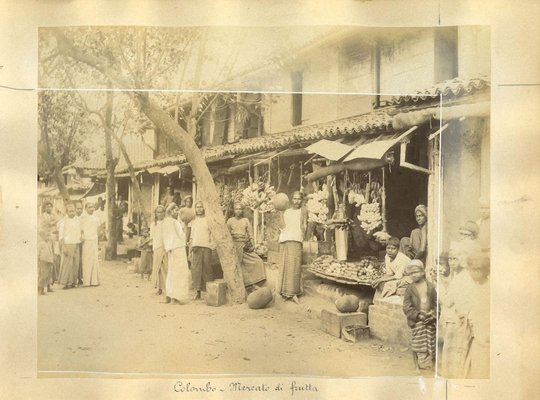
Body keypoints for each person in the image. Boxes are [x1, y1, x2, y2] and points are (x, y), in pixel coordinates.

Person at [439, 241, 482, 378]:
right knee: (456, 355)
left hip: (457, 322)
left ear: (462, 259)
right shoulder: (460, 276)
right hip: (456, 320)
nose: (451, 262)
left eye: (455, 259)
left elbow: (447, 301)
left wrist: (437, 285)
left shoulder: (462, 278)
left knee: (455, 357)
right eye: (450, 259)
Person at [402, 260, 438, 372]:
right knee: (416, 343)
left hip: (430, 318)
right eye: (411, 273)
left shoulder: (431, 287)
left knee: (432, 342)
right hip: (418, 320)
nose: (413, 275)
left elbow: (437, 303)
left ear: (423, 272)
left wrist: (433, 315)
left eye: (416, 272)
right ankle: (416, 366)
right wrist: (417, 316)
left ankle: (433, 365)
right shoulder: (409, 289)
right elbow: (406, 307)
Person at [226, 203, 266, 293]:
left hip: (245, 245)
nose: (238, 211)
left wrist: (253, 246)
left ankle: (252, 284)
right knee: (238, 265)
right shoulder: (230, 221)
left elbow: (250, 235)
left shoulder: (246, 220)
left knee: (258, 261)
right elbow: (227, 236)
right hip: (234, 246)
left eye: (240, 209)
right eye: (236, 209)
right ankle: (240, 287)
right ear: (233, 210)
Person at [461, 253, 490, 378]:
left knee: (482, 363)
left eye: (478, 271)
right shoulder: (474, 287)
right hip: (473, 331)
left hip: (484, 333)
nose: (474, 274)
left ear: (485, 271)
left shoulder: (489, 288)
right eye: (472, 271)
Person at [277, 191, 307, 303]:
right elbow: (282, 227)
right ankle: (285, 293)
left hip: (296, 240)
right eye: (294, 198)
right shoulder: (287, 212)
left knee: (295, 267)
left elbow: (304, 227)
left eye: (299, 199)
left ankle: (293, 293)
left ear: (302, 200)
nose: (296, 201)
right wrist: (280, 214)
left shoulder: (303, 211)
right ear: (291, 200)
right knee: (286, 266)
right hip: (285, 240)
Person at [162, 203, 190, 304]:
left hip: (171, 248)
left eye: (178, 210)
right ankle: (175, 296)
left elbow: (166, 237)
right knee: (179, 272)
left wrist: (168, 247)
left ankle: (169, 295)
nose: (177, 212)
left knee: (171, 271)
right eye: (175, 210)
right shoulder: (175, 222)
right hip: (178, 248)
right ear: (170, 211)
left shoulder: (167, 222)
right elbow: (182, 236)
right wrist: (185, 226)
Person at [189, 201, 215, 300]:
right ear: (195, 209)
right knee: (196, 269)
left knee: (207, 269)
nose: (199, 209)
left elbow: (212, 234)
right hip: (196, 247)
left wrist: (212, 245)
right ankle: (197, 291)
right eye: (197, 207)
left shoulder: (208, 220)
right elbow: (191, 236)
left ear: (204, 208)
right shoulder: (193, 221)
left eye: (201, 207)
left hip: (207, 246)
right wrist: (190, 251)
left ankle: (208, 292)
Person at [57, 203, 82, 289]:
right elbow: (61, 236)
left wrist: (82, 235)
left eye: (73, 211)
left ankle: (73, 282)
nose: (72, 213)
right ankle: (67, 282)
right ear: (67, 212)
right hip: (67, 244)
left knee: (75, 263)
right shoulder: (64, 221)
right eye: (70, 211)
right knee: (67, 264)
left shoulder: (78, 220)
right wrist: (63, 247)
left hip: (76, 243)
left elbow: (81, 230)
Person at [81, 202, 100, 287]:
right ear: (86, 209)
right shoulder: (82, 218)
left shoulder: (96, 219)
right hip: (86, 240)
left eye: (92, 207)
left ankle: (94, 281)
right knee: (87, 260)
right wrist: (82, 236)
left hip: (94, 240)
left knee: (94, 259)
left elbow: (98, 229)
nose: (91, 209)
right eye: (89, 207)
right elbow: (80, 230)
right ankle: (87, 281)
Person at [150, 205, 167, 296]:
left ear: (165, 213)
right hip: (157, 247)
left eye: (162, 212)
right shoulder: (153, 224)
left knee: (166, 268)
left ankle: (167, 287)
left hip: (166, 247)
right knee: (157, 268)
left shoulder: (167, 223)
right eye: (158, 212)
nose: (160, 214)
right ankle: (159, 288)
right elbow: (152, 237)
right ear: (155, 214)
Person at [38, 224, 54, 295]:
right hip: (43, 261)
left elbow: (51, 251)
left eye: (49, 235)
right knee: (43, 275)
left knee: (49, 275)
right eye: (46, 236)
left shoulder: (49, 243)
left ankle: (48, 287)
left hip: (49, 260)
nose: (48, 237)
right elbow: (38, 253)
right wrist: (38, 259)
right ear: (42, 236)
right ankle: (40, 289)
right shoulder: (41, 243)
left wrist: (52, 258)